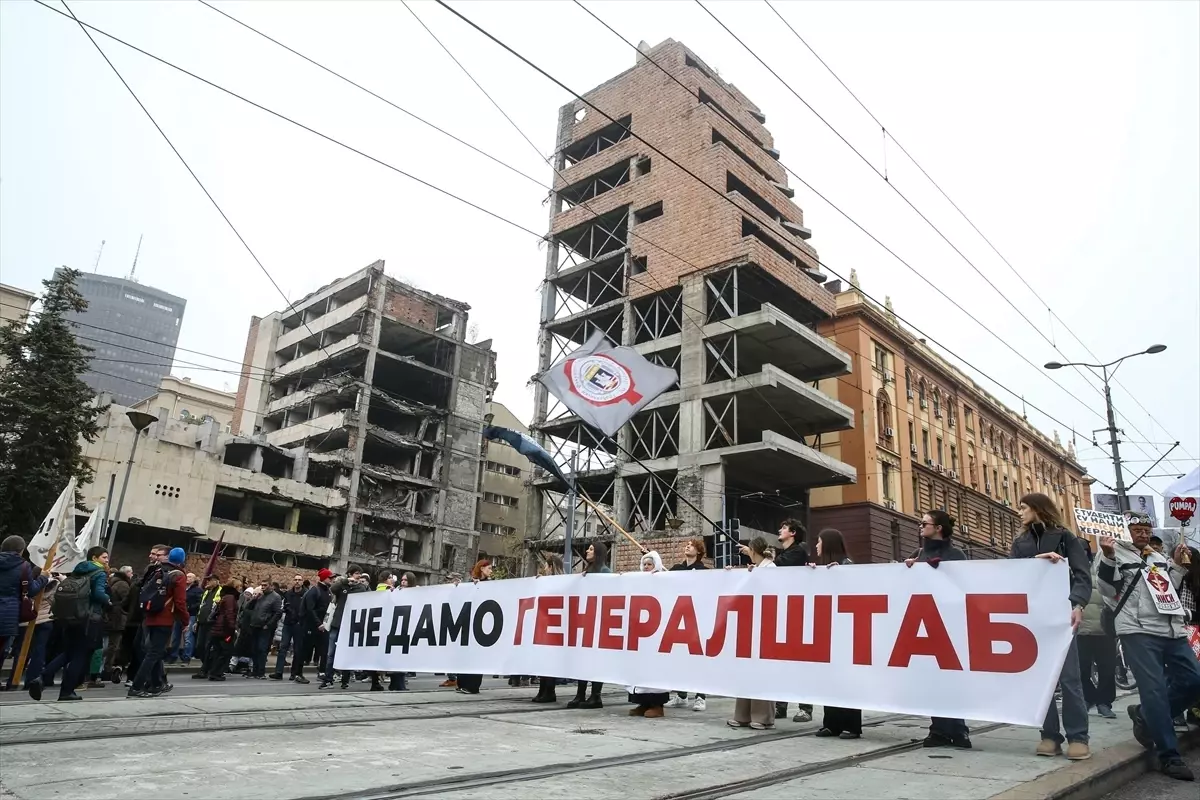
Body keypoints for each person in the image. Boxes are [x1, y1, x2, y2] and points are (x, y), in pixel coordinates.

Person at [1098, 513, 1200, 782]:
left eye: (1146, 529)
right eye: (1137, 529)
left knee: (1194, 680)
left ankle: (1144, 715)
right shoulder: (1112, 552)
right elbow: (1107, 590)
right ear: (1125, 530)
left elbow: (1168, 591)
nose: (1142, 534)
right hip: (1137, 630)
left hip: (1171, 630)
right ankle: (1168, 755)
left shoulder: (1156, 557)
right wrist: (1108, 557)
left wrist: (1177, 567)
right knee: (1153, 690)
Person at [1012, 493, 1091, 761]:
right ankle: (1049, 736)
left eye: (1023, 507)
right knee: (1041, 679)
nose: (1019, 512)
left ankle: (1078, 737)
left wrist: (1078, 604)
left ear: (1037, 509)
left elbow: (1082, 574)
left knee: (1069, 678)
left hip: (1063, 616)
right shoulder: (1019, 542)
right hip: (1032, 618)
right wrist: (1036, 562)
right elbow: (1010, 577)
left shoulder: (1066, 537)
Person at [905, 509, 972, 749]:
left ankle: (959, 729)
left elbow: (965, 585)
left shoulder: (957, 555)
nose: (920, 526)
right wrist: (908, 569)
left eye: (924, 523)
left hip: (951, 624)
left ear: (939, 527)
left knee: (953, 678)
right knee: (933, 680)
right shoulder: (919, 554)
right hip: (926, 625)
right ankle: (939, 730)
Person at [32, 546, 111, 702]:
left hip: (70, 617)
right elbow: (98, 594)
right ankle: (66, 691)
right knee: (80, 655)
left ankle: (42, 678)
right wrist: (108, 600)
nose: (107, 560)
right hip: (89, 618)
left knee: (68, 652)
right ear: (94, 558)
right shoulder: (99, 573)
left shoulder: (78, 570)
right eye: (104, 557)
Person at [810, 529, 862, 739]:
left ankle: (852, 725)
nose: (816, 546)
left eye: (819, 542)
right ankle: (831, 723)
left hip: (847, 633)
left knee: (847, 681)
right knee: (829, 680)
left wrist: (841, 574)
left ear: (829, 544)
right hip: (828, 632)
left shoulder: (847, 565)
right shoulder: (823, 569)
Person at [727, 537, 778, 731]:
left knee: (762, 671)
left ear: (754, 550)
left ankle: (763, 717)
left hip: (766, 624)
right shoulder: (755, 568)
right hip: (750, 624)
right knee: (746, 669)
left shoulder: (770, 569)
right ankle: (742, 715)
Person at [129, 547, 188, 698]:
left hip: (150, 615)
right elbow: (180, 602)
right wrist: (185, 620)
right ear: (182, 560)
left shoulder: (158, 571)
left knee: (155, 652)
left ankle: (156, 684)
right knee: (153, 653)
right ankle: (136, 686)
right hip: (165, 618)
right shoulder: (179, 576)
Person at [772, 519, 813, 724]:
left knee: (800, 663)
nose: (780, 529)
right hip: (782, 610)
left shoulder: (798, 552)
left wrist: (762, 556)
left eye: (784, 528)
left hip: (798, 613)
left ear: (793, 533)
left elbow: (778, 566)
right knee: (781, 662)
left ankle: (805, 708)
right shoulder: (783, 554)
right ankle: (781, 706)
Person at [0, 536, 51, 688]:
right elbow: (31, 590)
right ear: (21, 550)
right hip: (8, 614)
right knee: (2, 647)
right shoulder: (23, 566)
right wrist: (43, 578)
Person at [626, 551, 671, 718]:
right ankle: (642, 703)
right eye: (644, 564)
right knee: (639, 669)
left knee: (655, 670)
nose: (646, 567)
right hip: (640, 632)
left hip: (657, 632)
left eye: (649, 564)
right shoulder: (638, 581)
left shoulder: (664, 581)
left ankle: (657, 705)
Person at [567, 543, 611, 710]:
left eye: (591, 549)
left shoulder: (604, 572)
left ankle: (595, 696)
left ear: (598, 553)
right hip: (586, 621)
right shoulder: (587, 571)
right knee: (583, 659)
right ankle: (580, 694)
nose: (587, 551)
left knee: (595, 660)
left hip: (598, 622)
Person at [667, 538, 709, 712]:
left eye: (691, 545)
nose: (688, 546)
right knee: (680, 658)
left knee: (698, 659)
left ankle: (700, 697)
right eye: (687, 545)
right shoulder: (677, 569)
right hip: (679, 619)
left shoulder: (704, 571)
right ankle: (682, 695)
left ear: (699, 551)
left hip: (697, 618)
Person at [1076, 549, 1118, 719]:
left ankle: (1104, 702)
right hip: (1080, 629)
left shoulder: (1106, 568)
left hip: (1104, 629)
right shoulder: (1072, 573)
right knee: (1081, 669)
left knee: (1107, 669)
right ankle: (1089, 697)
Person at [321, 567, 368, 689]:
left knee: (347, 653)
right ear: (350, 574)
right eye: (356, 573)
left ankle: (345, 680)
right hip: (337, 624)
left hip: (350, 625)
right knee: (331, 653)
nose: (358, 576)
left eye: (359, 574)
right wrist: (345, 581)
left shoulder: (361, 588)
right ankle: (328, 679)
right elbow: (332, 589)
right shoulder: (342, 586)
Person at [456, 560, 493, 695]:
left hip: (481, 625)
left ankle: (473, 686)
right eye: (489, 568)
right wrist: (457, 587)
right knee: (464, 654)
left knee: (476, 655)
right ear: (482, 568)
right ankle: (462, 683)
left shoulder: (491, 585)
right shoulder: (469, 582)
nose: (491, 571)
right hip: (466, 623)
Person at [532, 555, 565, 705]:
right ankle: (543, 690)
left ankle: (549, 691)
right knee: (544, 660)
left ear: (551, 567)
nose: (544, 568)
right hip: (547, 624)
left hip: (554, 625)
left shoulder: (562, 582)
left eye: (546, 566)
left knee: (549, 660)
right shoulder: (549, 581)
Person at [292, 568, 333, 685]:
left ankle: (322, 672)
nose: (332, 580)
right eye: (330, 578)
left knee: (324, 650)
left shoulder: (328, 592)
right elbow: (310, 609)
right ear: (324, 578)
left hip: (322, 627)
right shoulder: (314, 591)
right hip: (310, 627)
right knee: (304, 650)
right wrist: (318, 623)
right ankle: (298, 674)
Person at [204, 577, 240, 681]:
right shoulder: (230, 598)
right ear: (235, 587)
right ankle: (216, 672)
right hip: (225, 629)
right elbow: (229, 614)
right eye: (239, 586)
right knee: (225, 651)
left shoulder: (225, 596)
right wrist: (233, 627)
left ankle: (213, 672)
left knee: (218, 651)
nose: (240, 589)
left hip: (219, 627)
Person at [272, 574, 305, 680]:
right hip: (288, 623)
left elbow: (306, 609)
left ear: (302, 582)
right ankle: (278, 672)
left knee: (297, 649)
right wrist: (287, 609)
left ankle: (294, 673)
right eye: (295, 580)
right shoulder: (288, 593)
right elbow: (284, 606)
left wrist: (300, 618)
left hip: (298, 624)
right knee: (283, 647)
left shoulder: (305, 594)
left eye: (299, 580)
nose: (297, 582)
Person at [101, 566, 131, 683]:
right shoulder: (123, 584)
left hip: (109, 616)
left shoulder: (112, 582)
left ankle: (101, 668)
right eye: (131, 572)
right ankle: (107, 670)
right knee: (113, 646)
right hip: (118, 618)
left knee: (107, 644)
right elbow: (126, 601)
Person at [247, 581, 282, 679]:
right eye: (262, 585)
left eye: (265, 585)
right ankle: (255, 671)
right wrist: (255, 598)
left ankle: (261, 672)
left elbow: (278, 613)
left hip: (265, 627)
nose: (263, 587)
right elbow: (248, 607)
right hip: (255, 625)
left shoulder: (276, 597)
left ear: (270, 586)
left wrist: (268, 624)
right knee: (254, 649)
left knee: (262, 649)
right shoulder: (260, 596)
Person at [191, 574, 221, 679]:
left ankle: (205, 669)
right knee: (199, 646)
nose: (208, 582)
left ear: (216, 581)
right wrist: (197, 621)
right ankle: (207, 667)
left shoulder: (220, 591)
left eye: (210, 580)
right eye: (207, 580)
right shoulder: (207, 592)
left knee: (207, 647)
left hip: (212, 623)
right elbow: (201, 607)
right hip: (202, 623)